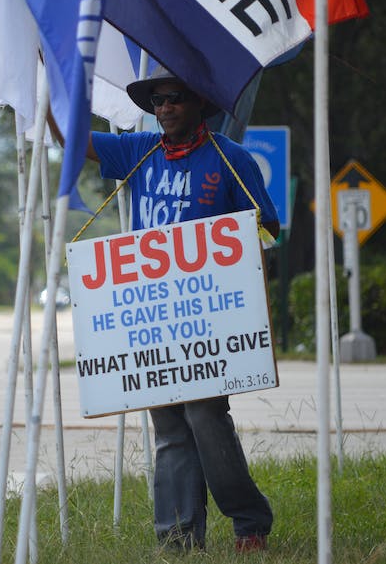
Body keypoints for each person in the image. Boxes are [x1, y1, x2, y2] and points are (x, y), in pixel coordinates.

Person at [86, 66, 278, 554]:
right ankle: (177, 539)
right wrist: (47, 94)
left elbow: (268, 228)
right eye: (157, 101)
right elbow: (71, 143)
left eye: (175, 98)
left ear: (199, 104)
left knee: (205, 416)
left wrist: (230, 264)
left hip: (209, 318)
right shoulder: (139, 150)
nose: (165, 108)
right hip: (153, 319)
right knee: (169, 427)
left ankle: (249, 523)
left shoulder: (230, 159)